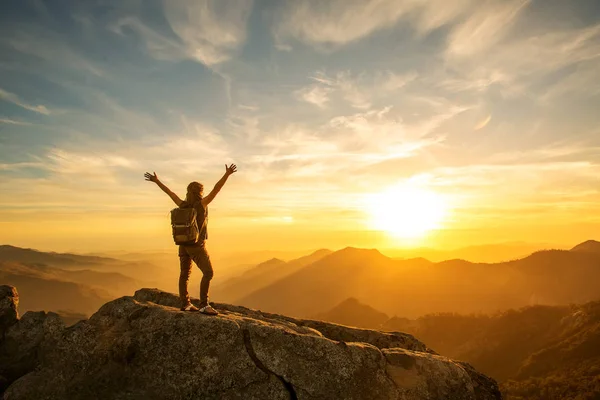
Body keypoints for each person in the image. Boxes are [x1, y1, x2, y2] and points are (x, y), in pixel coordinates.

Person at [144, 164, 237, 315]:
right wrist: (227, 174)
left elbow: (170, 193)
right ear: (200, 192)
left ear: (188, 192)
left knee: (184, 274)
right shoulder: (201, 204)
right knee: (208, 273)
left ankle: (185, 303)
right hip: (197, 245)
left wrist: (157, 181)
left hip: (183, 244)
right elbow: (216, 189)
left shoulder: (183, 204)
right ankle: (204, 305)